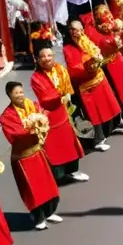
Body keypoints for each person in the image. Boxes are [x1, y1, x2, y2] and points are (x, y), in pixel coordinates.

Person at [0, 82, 62, 230]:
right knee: (33, 189)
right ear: (9, 95)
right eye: (16, 93)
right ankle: (38, 217)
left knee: (48, 184)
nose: (20, 95)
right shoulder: (6, 116)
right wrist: (33, 126)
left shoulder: (32, 105)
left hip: (37, 151)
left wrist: (41, 118)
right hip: (23, 158)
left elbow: (43, 113)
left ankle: (50, 212)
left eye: (21, 92)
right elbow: (15, 134)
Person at [64, 19, 123, 151]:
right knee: (95, 113)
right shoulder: (68, 49)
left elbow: (98, 49)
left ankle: (116, 123)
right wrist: (89, 65)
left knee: (110, 104)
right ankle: (98, 139)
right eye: (76, 30)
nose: (79, 32)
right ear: (70, 33)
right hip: (87, 85)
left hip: (99, 78)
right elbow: (73, 69)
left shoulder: (86, 40)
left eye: (81, 29)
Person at [30, 47, 88, 183]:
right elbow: (45, 97)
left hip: (63, 111)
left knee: (69, 142)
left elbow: (68, 86)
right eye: (43, 56)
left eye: (49, 55)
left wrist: (67, 95)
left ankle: (73, 171)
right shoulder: (36, 78)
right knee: (54, 147)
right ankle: (58, 175)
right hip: (49, 116)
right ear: (38, 60)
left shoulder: (60, 69)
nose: (47, 58)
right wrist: (61, 95)